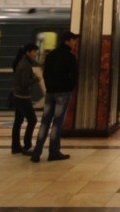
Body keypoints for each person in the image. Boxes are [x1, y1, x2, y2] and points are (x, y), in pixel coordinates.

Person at [31, 31, 79, 163]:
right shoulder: (70, 57)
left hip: (50, 93)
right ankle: (54, 152)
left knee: (44, 122)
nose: (75, 43)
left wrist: (50, 88)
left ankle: (37, 152)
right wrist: (69, 88)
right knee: (57, 123)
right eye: (74, 40)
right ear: (67, 41)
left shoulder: (51, 55)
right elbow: (74, 76)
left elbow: (45, 74)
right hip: (62, 94)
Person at [11, 43, 39, 155]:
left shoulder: (22, 62)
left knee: (18, 122)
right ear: (28, 52)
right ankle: (27, 146)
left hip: (17, 96)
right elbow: (25, 83)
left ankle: (16, 147)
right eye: (34, 52)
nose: (35, 54)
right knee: (33, 120)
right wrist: (36, 79)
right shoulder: (26, 65)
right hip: (23, 97)